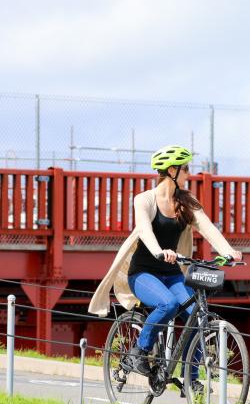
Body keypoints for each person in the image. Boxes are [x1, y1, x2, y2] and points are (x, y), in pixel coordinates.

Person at [89, 145, 242, 376]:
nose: (189, 173)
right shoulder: (144, 200)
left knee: (197, 317)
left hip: (172, 274)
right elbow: (144, 230)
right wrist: (159, 251)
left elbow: (207, 227)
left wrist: (229, 251)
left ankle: (190, 379)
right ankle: (139, 351)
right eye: (186, 168)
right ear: (172, 170)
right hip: (142, 274)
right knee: (168, 304)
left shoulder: (186, 200)